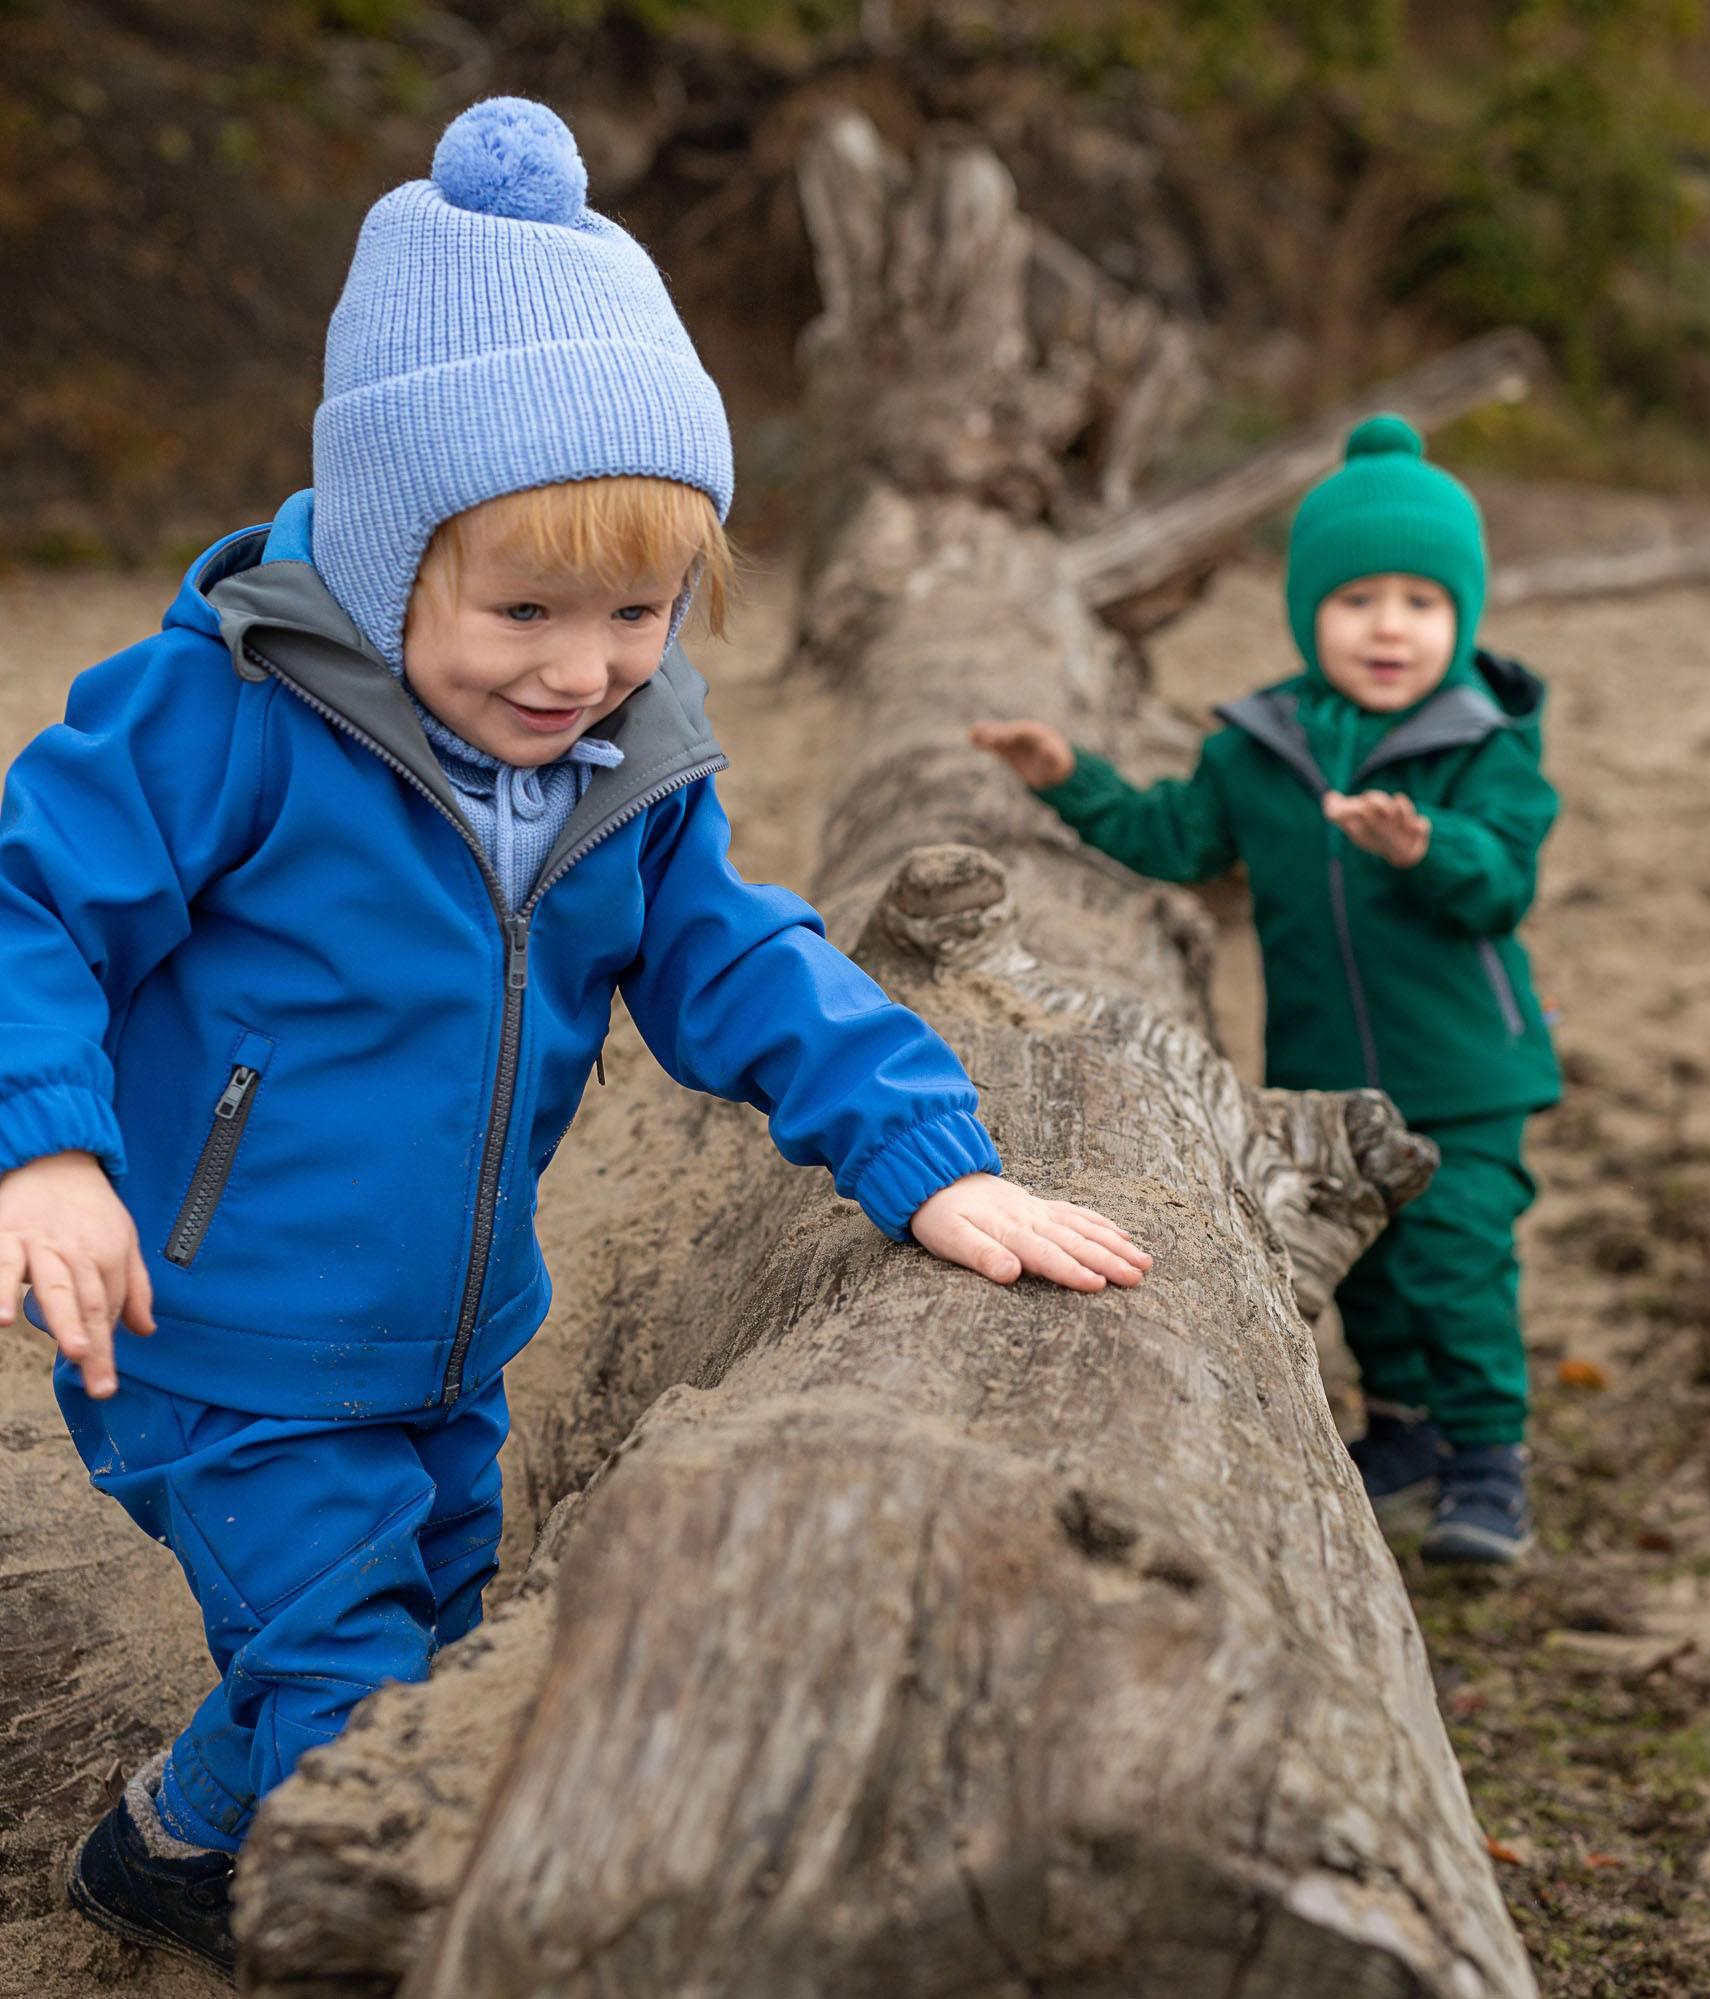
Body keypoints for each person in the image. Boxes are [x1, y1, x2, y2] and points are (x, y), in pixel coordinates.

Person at [0, 98, 1149, 1978]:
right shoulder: (219, 713)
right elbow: (27, 898)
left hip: (451, 1330)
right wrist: (43, 1143)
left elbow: (744, 961)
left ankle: (164, 1851)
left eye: (639, 609)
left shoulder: (625, 760)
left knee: (421, 1620)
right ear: (387, 558)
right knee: (362, 1706)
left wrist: (923, 1150)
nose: (578, 665)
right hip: (210, 1333)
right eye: (522, 608)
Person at [974, 414, 1559, 1571]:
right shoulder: (1258, 748)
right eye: (1355, 601)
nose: (1387, 626)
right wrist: (1070, 782)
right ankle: (1403, 1429)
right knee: (1370, 1261)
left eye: (1419, 603)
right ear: (1306, 612)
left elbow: (1498, 884)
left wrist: (1423, 847)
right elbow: (1176, 835)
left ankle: (1489, 1456)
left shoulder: (1481, 747)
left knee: (1454, 1257)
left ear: (1460, 616)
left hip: (1463, 1070)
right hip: (1325, 1061)